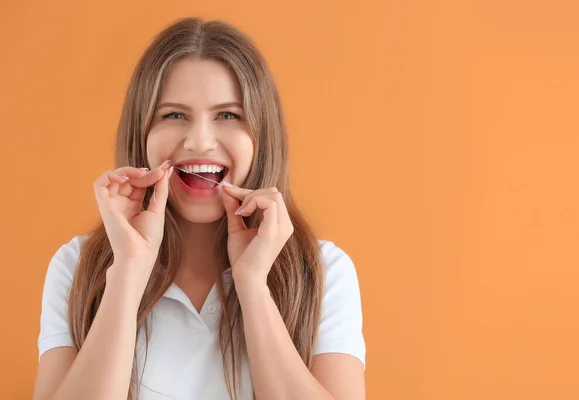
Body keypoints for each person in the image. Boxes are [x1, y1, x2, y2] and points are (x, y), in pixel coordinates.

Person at [33, 17, 365, 400]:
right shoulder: (75, 267)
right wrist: (127, 271)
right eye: (174, 115)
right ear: (141, 134)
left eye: (228, 115)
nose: (200, 141)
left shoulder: (324, 272)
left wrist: (253, 285)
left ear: (262, 134)